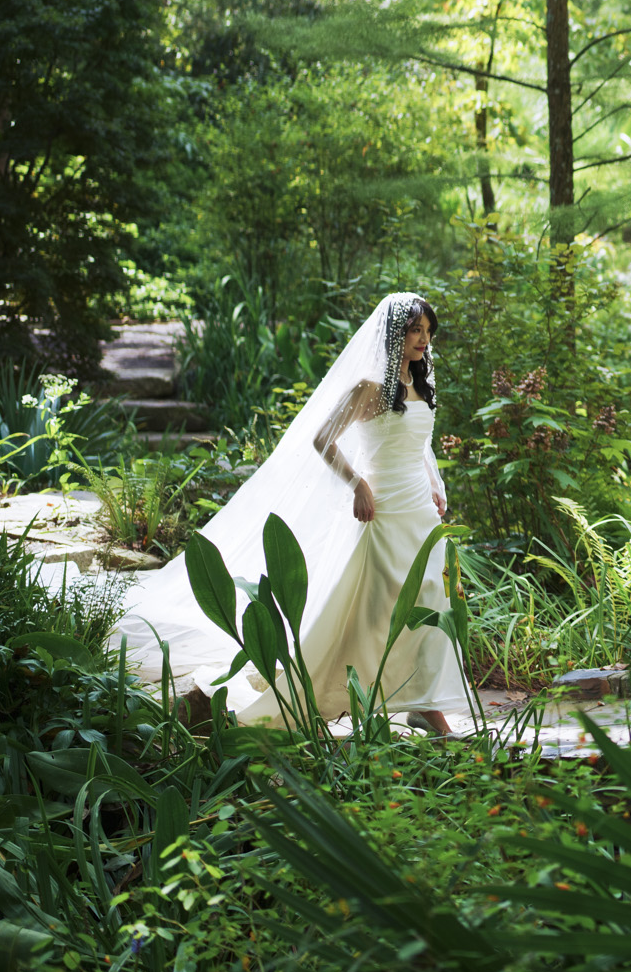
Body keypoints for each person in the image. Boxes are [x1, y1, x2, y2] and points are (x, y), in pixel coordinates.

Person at [109, 292, 469, 736]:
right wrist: (357, 483)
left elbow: (420, 444)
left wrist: (436, 483)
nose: (423, 340)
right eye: (416, 330)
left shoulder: (421, 384)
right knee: (377, 609)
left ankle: (422, 702)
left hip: (419, 508)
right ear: (397, 333)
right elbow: (323, 439)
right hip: (383, 509)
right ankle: (367, 694)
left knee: (431, 597)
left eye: (428, 332)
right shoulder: (369, 388)